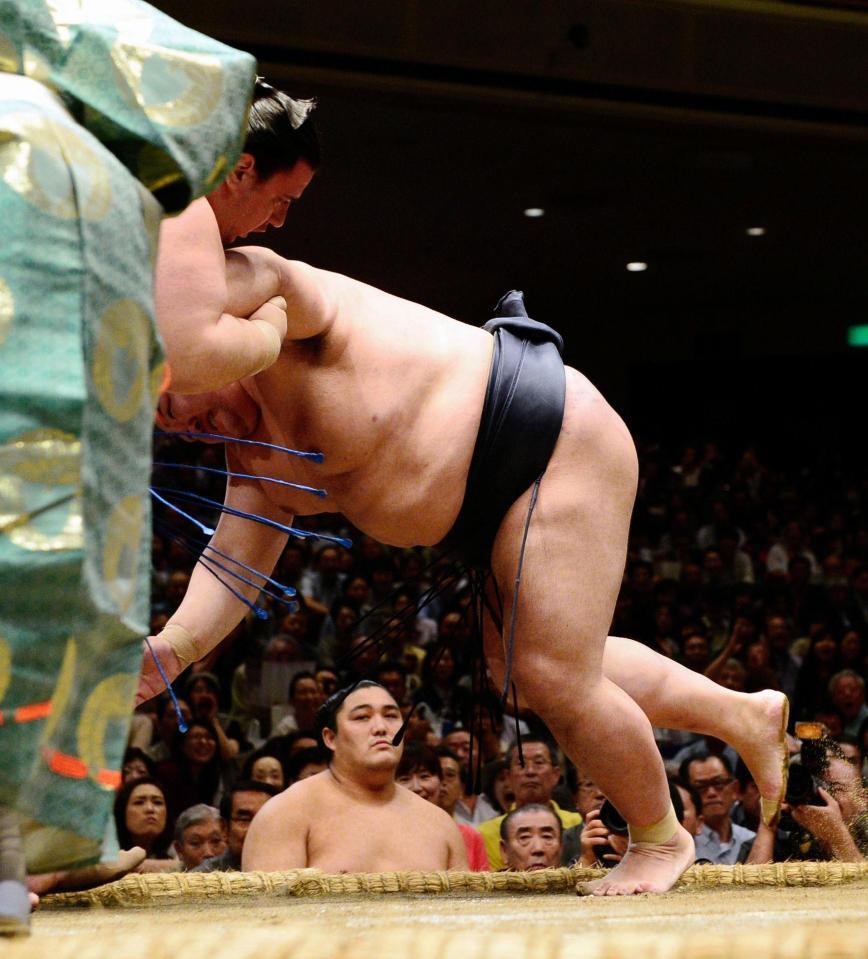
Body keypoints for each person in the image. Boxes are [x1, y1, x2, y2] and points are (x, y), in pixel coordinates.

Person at [144, 255, 790, 895]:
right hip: (489, 501)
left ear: (203, 335)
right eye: (163, 416)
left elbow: (265, 273)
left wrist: (184, 284)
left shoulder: (287, 314)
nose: (174, 418)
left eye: (168, 388)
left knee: (552, 673)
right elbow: (233, 561)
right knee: (527, 672)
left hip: (546, 436)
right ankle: (744, 715)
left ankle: (658, 834)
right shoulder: (256, 461)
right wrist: (174, 651)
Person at [154, 78, 320, 395]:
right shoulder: (184, 198)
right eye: (281, 200)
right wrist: (269, 331)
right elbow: (189, 359)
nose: (279, 221)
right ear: (241, 171)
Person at [241, 682, 467, 871]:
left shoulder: (440, 824)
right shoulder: (285, 814)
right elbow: (268, 919)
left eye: (390, 716)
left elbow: (463, 918)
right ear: (331, 738)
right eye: (362, 717)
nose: (380, 727)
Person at [478, 740, 582, 871]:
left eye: (539, 763)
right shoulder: (484, 833)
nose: (530, 771)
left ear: (556, 775)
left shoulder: (578, 824)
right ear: (508, 776)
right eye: (521, 764)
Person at [396, 743, 489, 870]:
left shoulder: (470, 836)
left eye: (425, 776)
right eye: (405, 779)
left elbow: (482, 887)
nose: (417, 787)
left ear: (440, 782)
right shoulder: (381, 833)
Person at [682, 754, 756, 865]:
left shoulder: (752, 840)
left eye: (718, 783)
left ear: (735, 789)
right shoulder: (683, 845)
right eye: (700, 786)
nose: (711, 793)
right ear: (686, 794)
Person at [194, 781, 279, 872]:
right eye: (245, 819)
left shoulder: (291, 873)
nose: (255, 828)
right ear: (224, 828)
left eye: (264, 819)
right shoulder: (204, 877)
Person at [112, 779, 175, 871]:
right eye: (139, 802)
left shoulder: (181, 851)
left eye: (157, 802)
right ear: (122, 812)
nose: (150, 809)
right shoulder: (102, 854)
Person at [500, 804, 563, 872]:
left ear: (561, 848)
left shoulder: (574, 882)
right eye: (524, 837)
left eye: (547, 836)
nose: (538, 848)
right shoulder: (490, 882)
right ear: (505, 851)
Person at [173, 804, 225, 871]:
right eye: (196, 843)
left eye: (216, 841)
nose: (208, 853)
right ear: (179, 850)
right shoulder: (165, 880)